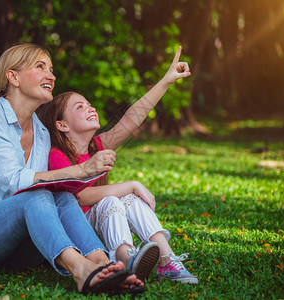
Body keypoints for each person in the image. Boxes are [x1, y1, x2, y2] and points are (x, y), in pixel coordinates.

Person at [0, 43, 145, 295]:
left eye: (52, 69)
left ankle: (103, 264)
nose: (52, 76)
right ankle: (81, 269)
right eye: (40, 66)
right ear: (13, 77)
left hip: (12, 249)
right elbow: (15, 181)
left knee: (61, 196)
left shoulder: (43, 133)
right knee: (35, 194)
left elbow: (53, 188)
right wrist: (80, 170)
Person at [37, 46, 199, 284]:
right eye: (79, 107)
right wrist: (132, 184)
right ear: (61, 125)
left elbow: (133, 118)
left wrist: (166, 81)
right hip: (80, 235)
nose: (90, 108)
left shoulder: (98, 145)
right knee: (114, 198)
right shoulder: (58, 155)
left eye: (89, 104)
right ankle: (123, 259)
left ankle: (167, 260)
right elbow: (80, 198)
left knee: (130, 199)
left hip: (101, 224)